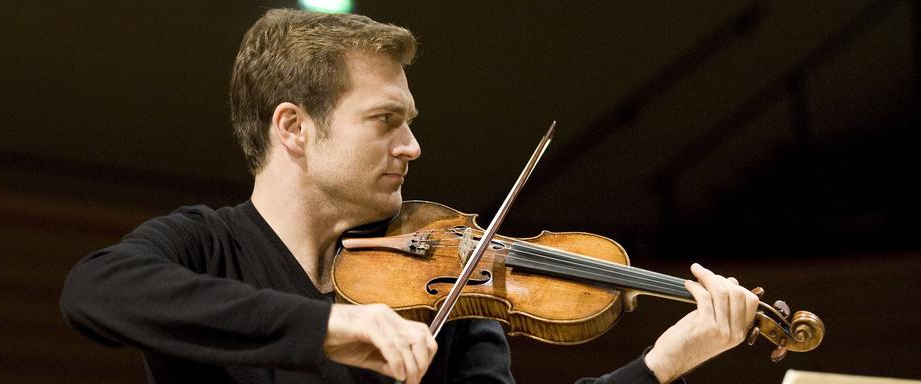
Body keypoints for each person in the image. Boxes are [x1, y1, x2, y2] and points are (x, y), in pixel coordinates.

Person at [60, 8, 759, 384]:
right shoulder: (204, 245)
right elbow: (94, 289)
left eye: (411, 122)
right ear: (294, 128)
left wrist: (663, 363)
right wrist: (330, 328)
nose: (413, 147)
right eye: (384, 121)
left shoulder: (445, 280)